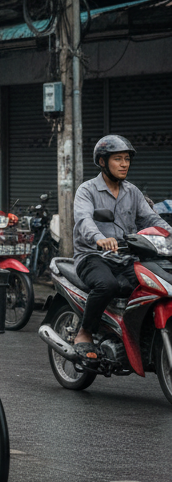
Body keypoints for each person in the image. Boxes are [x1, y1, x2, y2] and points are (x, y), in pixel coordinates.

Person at [71, 135, 165, 359]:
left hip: (125, 258)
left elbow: (152, 219)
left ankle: (136, 333)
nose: (124, 164)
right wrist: (99, 238)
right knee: (107, 285)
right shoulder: (87, 190)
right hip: (92, 256)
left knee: (155, 284)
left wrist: (169, 233)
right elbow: (84, 220)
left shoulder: (132, 192)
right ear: (102, 162)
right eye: (118, 159)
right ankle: (85, 332)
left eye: (127, 159)